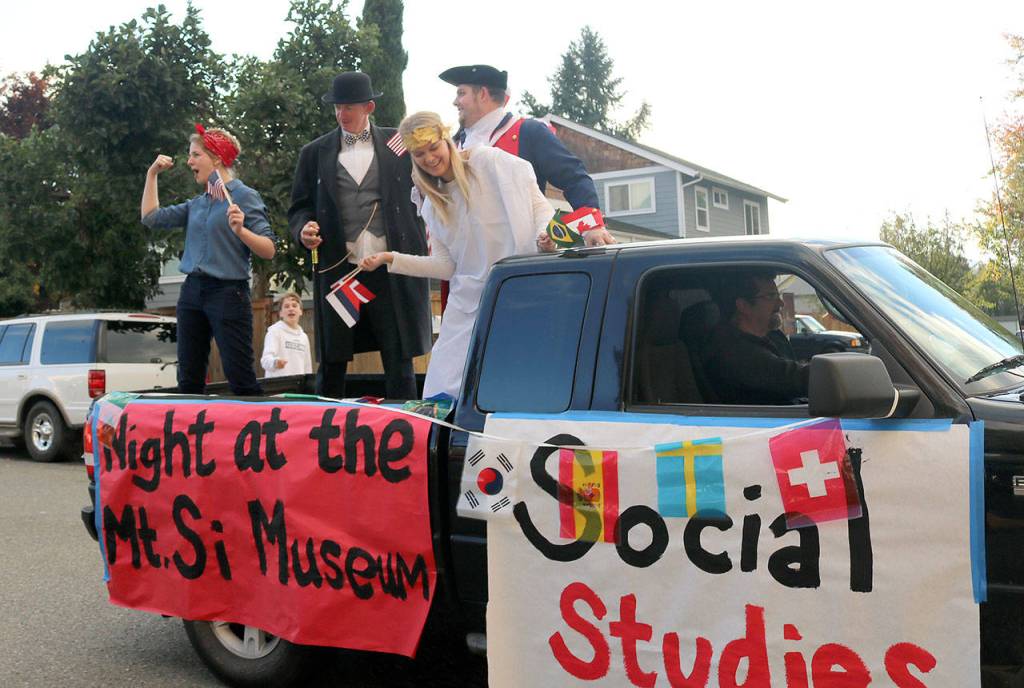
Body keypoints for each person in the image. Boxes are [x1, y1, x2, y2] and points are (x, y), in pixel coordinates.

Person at [359, 111, 554, 399]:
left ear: (446, 140)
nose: (429, 158)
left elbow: (538, 205)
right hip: (467, 302)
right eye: (420, 154)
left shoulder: (488, 162)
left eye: (433, 147)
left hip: (515, 292)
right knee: (441, 387)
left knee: (517, 380)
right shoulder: (431, 203)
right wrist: (391, 259)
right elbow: (446, 266)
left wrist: (544, 235)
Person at [289, 71, 432, 400]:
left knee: (398, 357)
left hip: (389, 270)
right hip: (341, 273)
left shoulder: (398, 143)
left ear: (369, 107)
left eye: (349, 107)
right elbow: (299, 209)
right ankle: (326, 423)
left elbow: (432, 179)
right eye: (337, 107)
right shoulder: (315, 152)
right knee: (333, 359)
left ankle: (402, 422)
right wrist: (303, 229)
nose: (342, 114)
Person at [141, 124, 275, 396]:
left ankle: (252, 422)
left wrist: (242, 231)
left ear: (216, 159)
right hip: (192, 292)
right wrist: (151, 174)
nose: (189, 161)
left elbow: (269, 249)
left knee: (240, 378)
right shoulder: (198, 203)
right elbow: (150, 217)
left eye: (195, 155)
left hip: (227, 293)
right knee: (188, 379)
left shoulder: (244, 197)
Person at [439, 63, 616, 249]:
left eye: (461, 93)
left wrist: (591, 226)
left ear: (483, 94)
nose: (455, 102)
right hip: (466, 258)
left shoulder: (527, 132)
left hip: (518, 256)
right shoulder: (454, 146)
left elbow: (574, 177)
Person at [704, 270, 809, 405]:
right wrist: (831, 368)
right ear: (743, 306)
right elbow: (796, 378)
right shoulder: (736, 353)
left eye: (778, 295)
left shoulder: (772, 336)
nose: (780, 303)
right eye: (770, 296)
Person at [261, 292, 313, 378]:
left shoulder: (303, 337)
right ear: (280, 313)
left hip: (298, 384)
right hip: (279, 384)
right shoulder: (274, 332)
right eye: (286, 306)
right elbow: (265, 360)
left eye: (294, 306)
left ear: (301, 311)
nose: (291, 309)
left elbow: (307, 366)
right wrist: (275, 362)